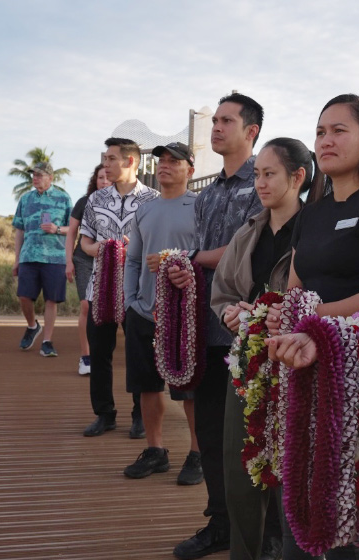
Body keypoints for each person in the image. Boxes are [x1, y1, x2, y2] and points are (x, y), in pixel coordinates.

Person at [268, 94, 359, 560]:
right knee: (301, 500)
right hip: (303, 363)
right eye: (320, 132)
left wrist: (316, 319)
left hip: (358, 373)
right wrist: (273, 314)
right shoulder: (312, 213)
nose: (326, 141)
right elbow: (295, 290)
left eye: (339, 131)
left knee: (345, 509)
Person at [158, 93, 265, 560]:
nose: (217, 127)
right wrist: (186, 270)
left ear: (251, 131)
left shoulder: (262, 182)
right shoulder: (208, 195)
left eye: (227, 120)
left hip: (247, 332)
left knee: (248, 439)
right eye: (215, 120)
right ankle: (220, 523)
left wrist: (189, 258)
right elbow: (204, 257)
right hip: (206, 329)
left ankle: (259, 535)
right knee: (212, 436)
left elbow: (246, 250)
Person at [210, 138, 323, 560]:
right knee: (240, 463)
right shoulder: (249, 231)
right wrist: (229, 314)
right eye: (257, 174)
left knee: (292, 463)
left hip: (297, 362)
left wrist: (279, 314)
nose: (259, 182)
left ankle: (285, 546)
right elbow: (223, 292)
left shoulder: (317, 230)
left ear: (298, 177)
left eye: (269, 174)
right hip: (247, 361)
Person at [122, 142, 203, 486]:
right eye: (162, 160)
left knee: (188, 388)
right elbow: (133, 260)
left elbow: (206, 255)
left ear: (190, 170)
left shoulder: (200, 207)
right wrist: (130, 301)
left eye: (174, 161)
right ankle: (155, 450)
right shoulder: (145, 210)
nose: (165, 165)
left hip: (184, 313)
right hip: (144, 311)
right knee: (146, 385)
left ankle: (197, 453)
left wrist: (175, 258)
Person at [79, 137, 158, 438]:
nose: (106, 164)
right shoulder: (95, 200)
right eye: (105, 159)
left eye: (111, 158)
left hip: (139, 290)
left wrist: (135, 248)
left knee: (140, 353)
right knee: (100, 351)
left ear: (130, 161)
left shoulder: (153, 199)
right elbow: (85, 242)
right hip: (100, 287)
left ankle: (141, 415)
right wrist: (101, 248)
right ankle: (104, 413)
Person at [12, 161, 72, 358]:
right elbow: (19, 230)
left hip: (55, 258)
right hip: (29, 256)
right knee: (23, 296)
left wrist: (56, 229)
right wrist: (17, 259)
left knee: (51, 300)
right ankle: (32, 326)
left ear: (50, 178)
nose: (35, 178)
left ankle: (47, 341)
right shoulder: (25, 199)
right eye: (34, 175)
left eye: (39, 175)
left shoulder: (63, 198)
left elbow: (73, 229)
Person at [65, 163, 112, 375]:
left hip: (110, 260)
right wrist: (69, 261)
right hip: (84, 259)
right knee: (86, 305)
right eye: (101, 178)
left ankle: (103, 354)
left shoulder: (119, 203)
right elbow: (71, 232)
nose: (105, 182)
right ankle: (86, 357)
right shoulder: (84, 202)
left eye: (108, 178)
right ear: (95, 180)